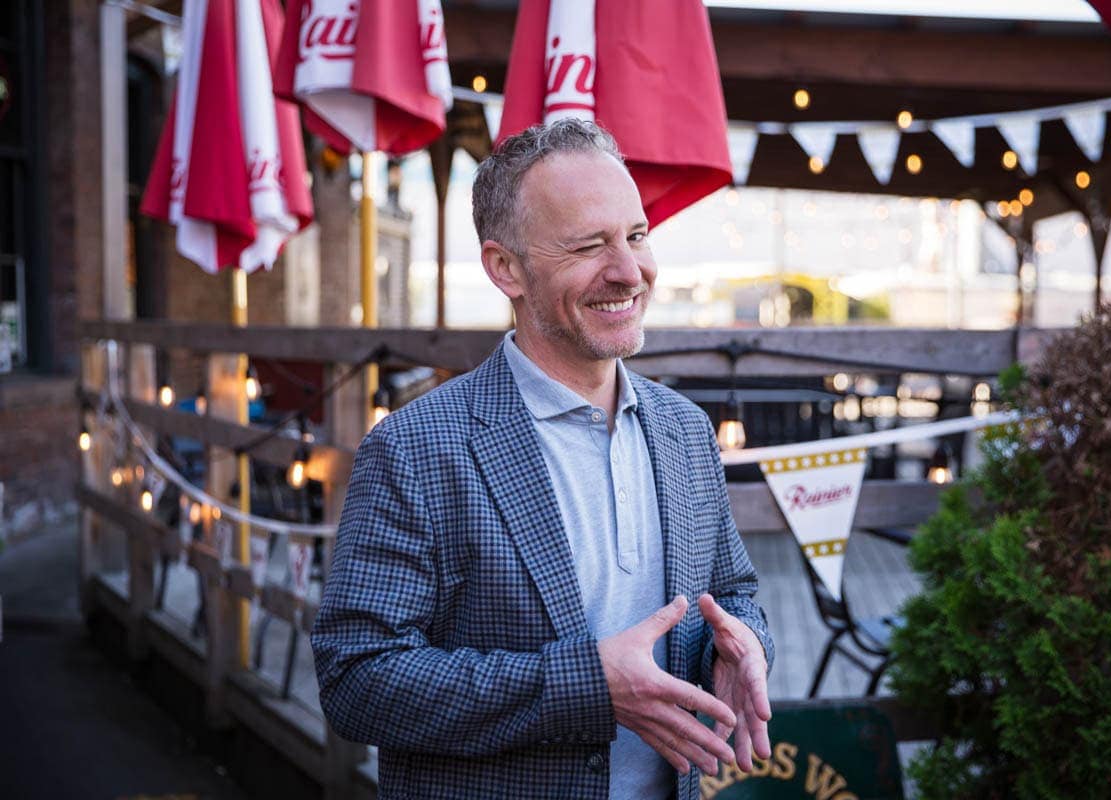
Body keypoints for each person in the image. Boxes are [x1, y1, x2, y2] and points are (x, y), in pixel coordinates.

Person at [312, 119, 774, 800]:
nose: (629, 271)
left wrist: (741, 648)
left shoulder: (684, 429)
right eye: (590, 245)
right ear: (506, 269)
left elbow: (732, 592)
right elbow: (356, 682)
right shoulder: (415, 448)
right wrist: (587, 686)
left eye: (636, 236)